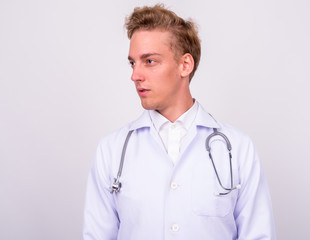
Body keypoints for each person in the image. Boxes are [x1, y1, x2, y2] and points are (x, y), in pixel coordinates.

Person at [83, 4, 276, 240]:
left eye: (149, 61)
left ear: (185, 65)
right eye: (133, 62)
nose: (135, 75)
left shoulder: (238, 148)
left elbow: (258, 235)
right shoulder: (111, 150)